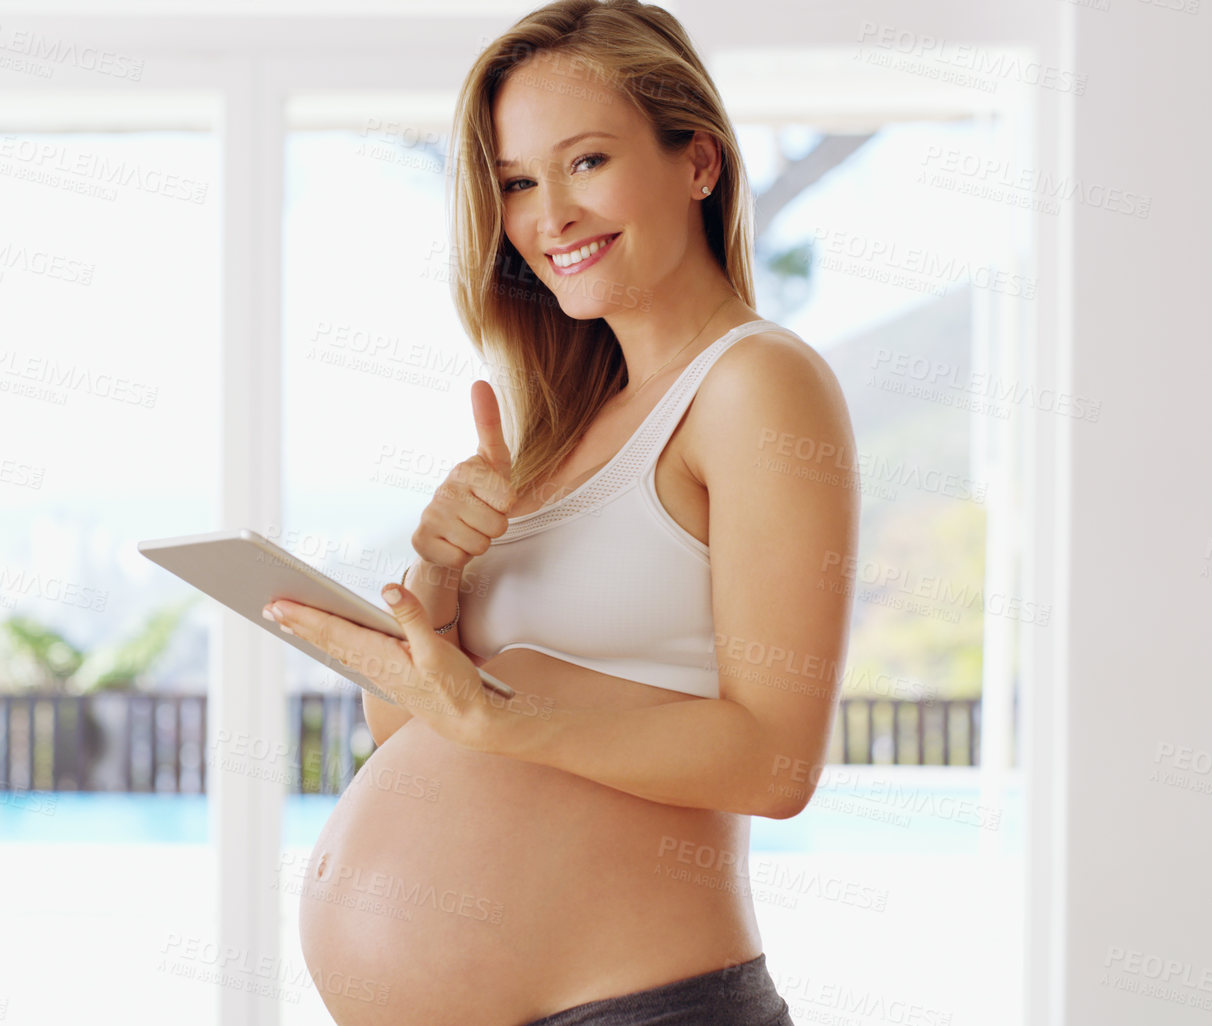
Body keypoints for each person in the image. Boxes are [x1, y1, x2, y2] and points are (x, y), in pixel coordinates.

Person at [264, 1, 858, 1022]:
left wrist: (500, 717)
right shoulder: (553, 430)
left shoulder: (757, 385)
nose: (550, 216)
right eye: (517, 183)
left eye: (586, 162)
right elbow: (418, 729)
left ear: (698, 162)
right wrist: (442, 587)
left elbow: (775, 759)